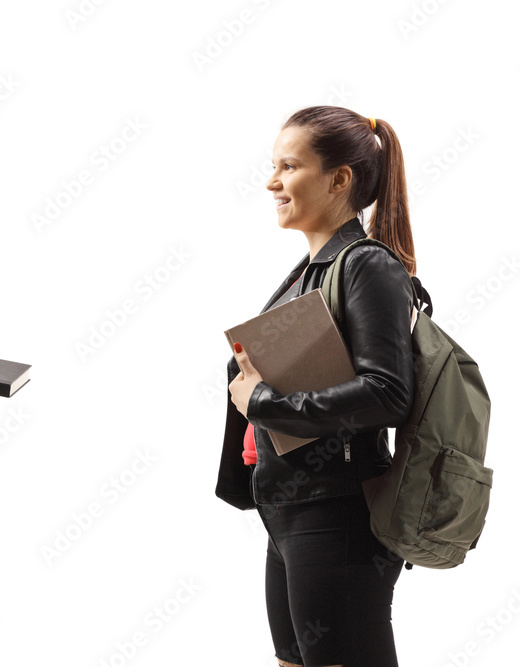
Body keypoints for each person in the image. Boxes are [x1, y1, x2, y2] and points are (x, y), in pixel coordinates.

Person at [216, 106, 417, 667]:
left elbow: (386, 392)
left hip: (337, 517)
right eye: (272, 165)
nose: (271, 181)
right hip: (289, 515)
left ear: (339, 179)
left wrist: (263, 402)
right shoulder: (311, 273)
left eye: (289, 166)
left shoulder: (365, 265)